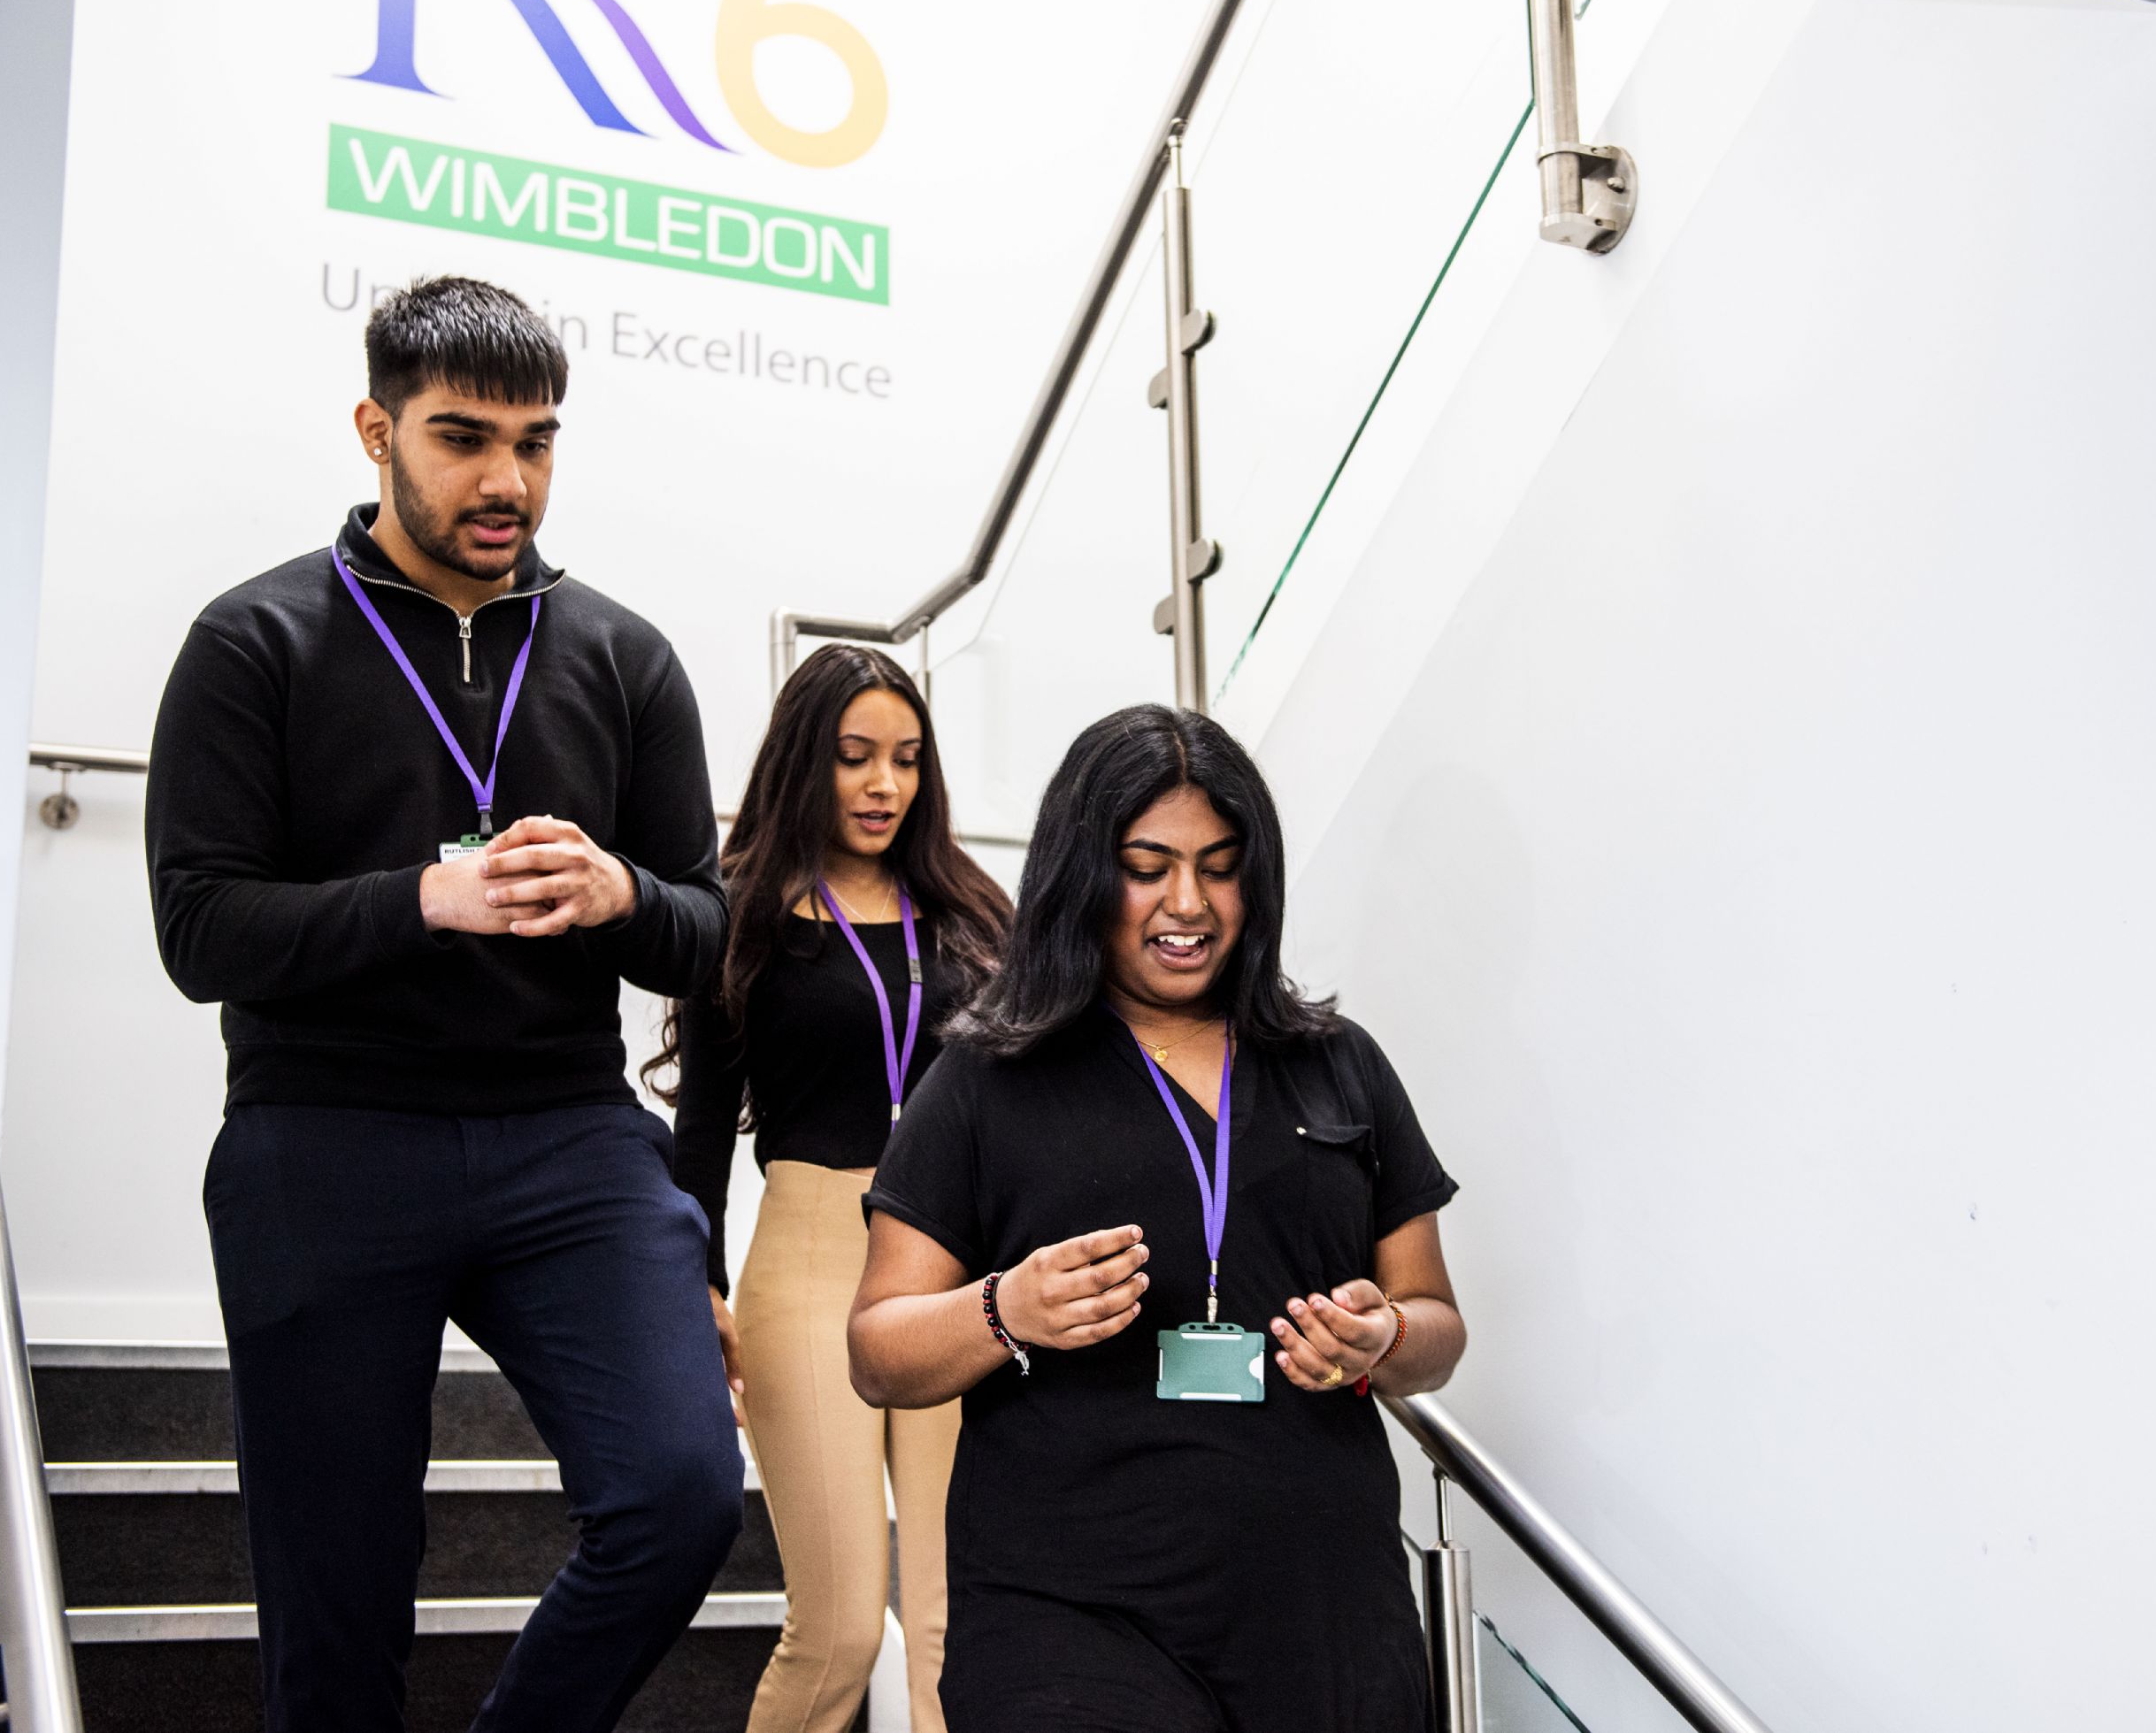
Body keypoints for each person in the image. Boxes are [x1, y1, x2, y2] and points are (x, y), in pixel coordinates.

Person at [144, 274, 742, 1733]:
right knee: (336, 1595)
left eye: (534, 442)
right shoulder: (253, 641)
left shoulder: (623, 654)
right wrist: (420, 896)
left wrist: (622, 896)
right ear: (375, 428)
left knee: (681, 1493)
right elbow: (200, 927)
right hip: (324, 1135)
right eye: (463, 437)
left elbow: (713, 933)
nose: (506, 480)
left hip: (565, 1137)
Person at [844, 705, 1467, 1732]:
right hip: (1070, 1616)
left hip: (1326, 1612)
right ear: (1082, 874)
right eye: (1146, 865)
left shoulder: (1337, 1062)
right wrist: (1006, 1309)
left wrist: (1382, 1337)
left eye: (1219, 866)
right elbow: (878, 1349)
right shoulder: (988, 1078)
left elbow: (1434, 1320)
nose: (1189, 902)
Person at [651, 644, 1013, 1733]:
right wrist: (691, 1284)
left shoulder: (971, 916)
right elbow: (704, 1123)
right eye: (855, 757)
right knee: (844, 1625)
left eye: (905, 760)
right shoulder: (739, 912)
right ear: (808, 759)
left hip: (952, 1266)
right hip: (806, 1258)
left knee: (956, 1627)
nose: (882, 786)